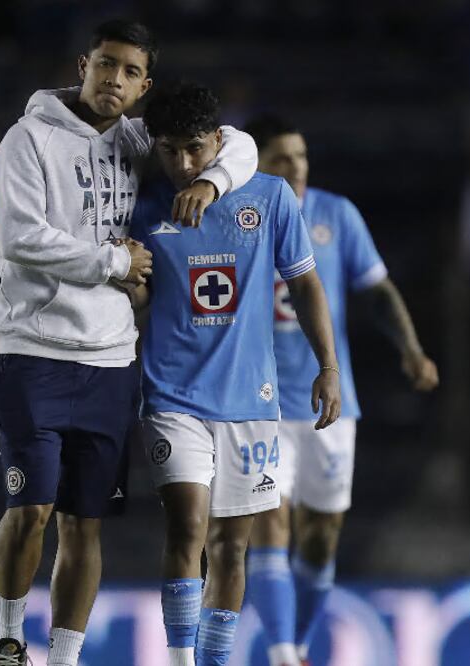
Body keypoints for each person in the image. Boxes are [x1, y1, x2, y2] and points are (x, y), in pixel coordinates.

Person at [0, 19, 259, 666]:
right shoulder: (30, 138)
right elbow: (20, 238)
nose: (115, 80)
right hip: (34, 350)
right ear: (84, 64)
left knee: (86, 522)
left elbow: (238, 143)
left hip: (110, 360)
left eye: (130, 71)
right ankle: (6, 638)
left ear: (145, 85)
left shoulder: (141, 140)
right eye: (106, 64)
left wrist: (209, 181)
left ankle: (63, 659)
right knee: (33, 508)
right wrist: (113, 263)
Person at [129, 82, 341, 666]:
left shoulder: (270, 198)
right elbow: (140, 300)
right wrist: (127, 281)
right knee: (188, 527)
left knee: (232, 545)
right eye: (169, 150)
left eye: (195, 148)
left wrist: (328, 366)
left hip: (251, 399)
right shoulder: (145, 208)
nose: (183, 163)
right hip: (173, 395)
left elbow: (304, 284)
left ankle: (217, 659)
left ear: (219, 142)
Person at [238, 114, 438, 666]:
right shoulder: (239, 214)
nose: (295, 168)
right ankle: (281, 652)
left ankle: (297, 644)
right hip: (259, 402)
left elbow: (377, 291)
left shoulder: (335, 214)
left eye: (300, 157)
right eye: (281, 159)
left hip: (330, 402)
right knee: (270, 521)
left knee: (322, 536)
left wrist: (411, 349)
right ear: (256, 166)